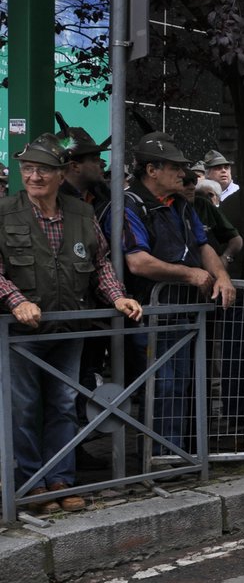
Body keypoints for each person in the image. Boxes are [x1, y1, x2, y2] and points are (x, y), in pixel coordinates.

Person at [1, 135, 142, 509]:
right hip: (20, 334)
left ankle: (61, 481)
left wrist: (117, 296)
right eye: (28, 169)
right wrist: (16, 301)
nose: (33, 176)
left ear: (61, 174)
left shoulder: (80, 213)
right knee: (25, 408)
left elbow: (99, 265)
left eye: (43, 170)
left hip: (70, 328)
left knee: (63, 404)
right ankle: (32, 484)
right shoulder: (4, 212)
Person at [108, 132, 236, 451]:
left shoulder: (180, 204)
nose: (183, 174)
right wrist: (190, 273)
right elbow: (138, 262)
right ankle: (157, 458)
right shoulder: (129, 205)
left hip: (182, 313)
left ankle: (174, 455)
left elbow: (202, 245)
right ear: (152, 170)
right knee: (160, 387)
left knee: (180, 386)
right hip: (148, 315)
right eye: (175, 167)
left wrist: (221, 276)